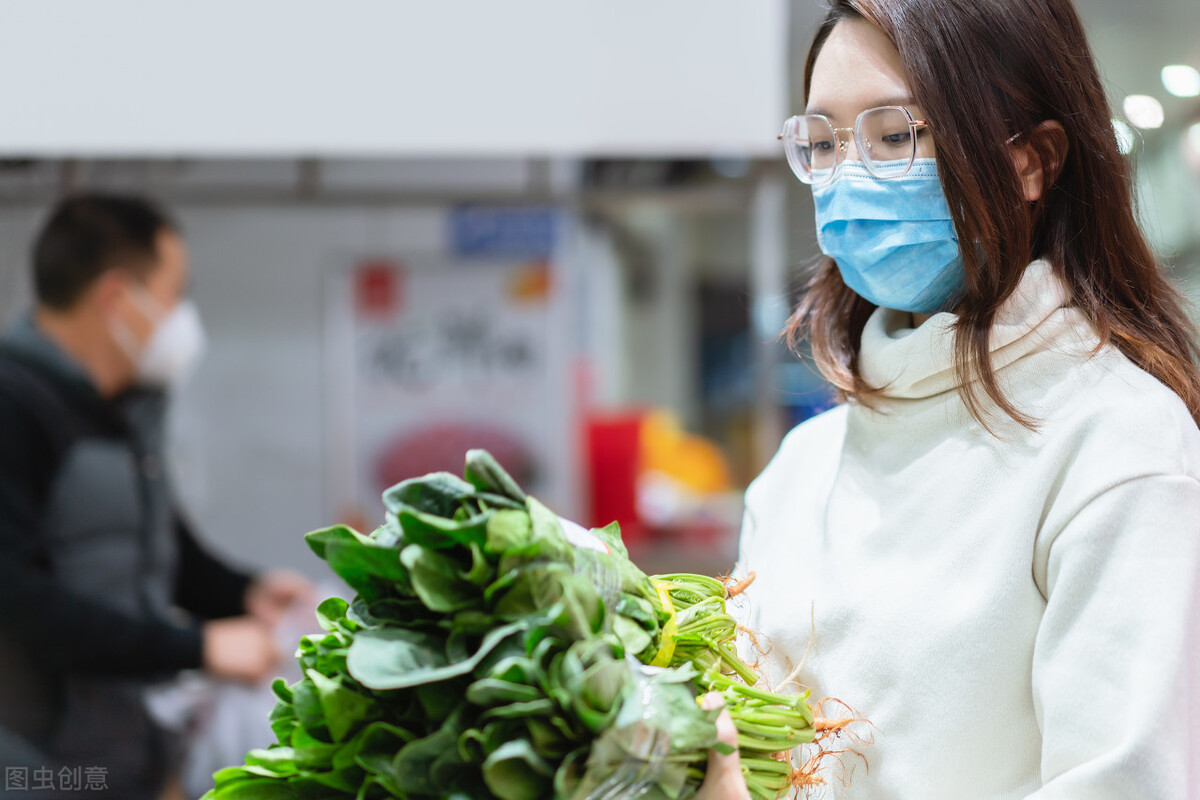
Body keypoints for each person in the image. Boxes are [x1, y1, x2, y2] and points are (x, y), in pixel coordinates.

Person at [718, 0, 1200, 797]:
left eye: (897, 135)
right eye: (823, 143)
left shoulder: (1121, 452)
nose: (848, 177)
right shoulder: (801, 471)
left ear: (1033, 161)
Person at [0, 193, 313, 799]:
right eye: (173, 295)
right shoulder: (15, 408)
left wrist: (244, 593)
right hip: (34, 759)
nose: (180, 317)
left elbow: (160, 548)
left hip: (117, 744)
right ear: (117, 297)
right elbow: (17, 600)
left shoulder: (122, 410)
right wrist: (200, 646)